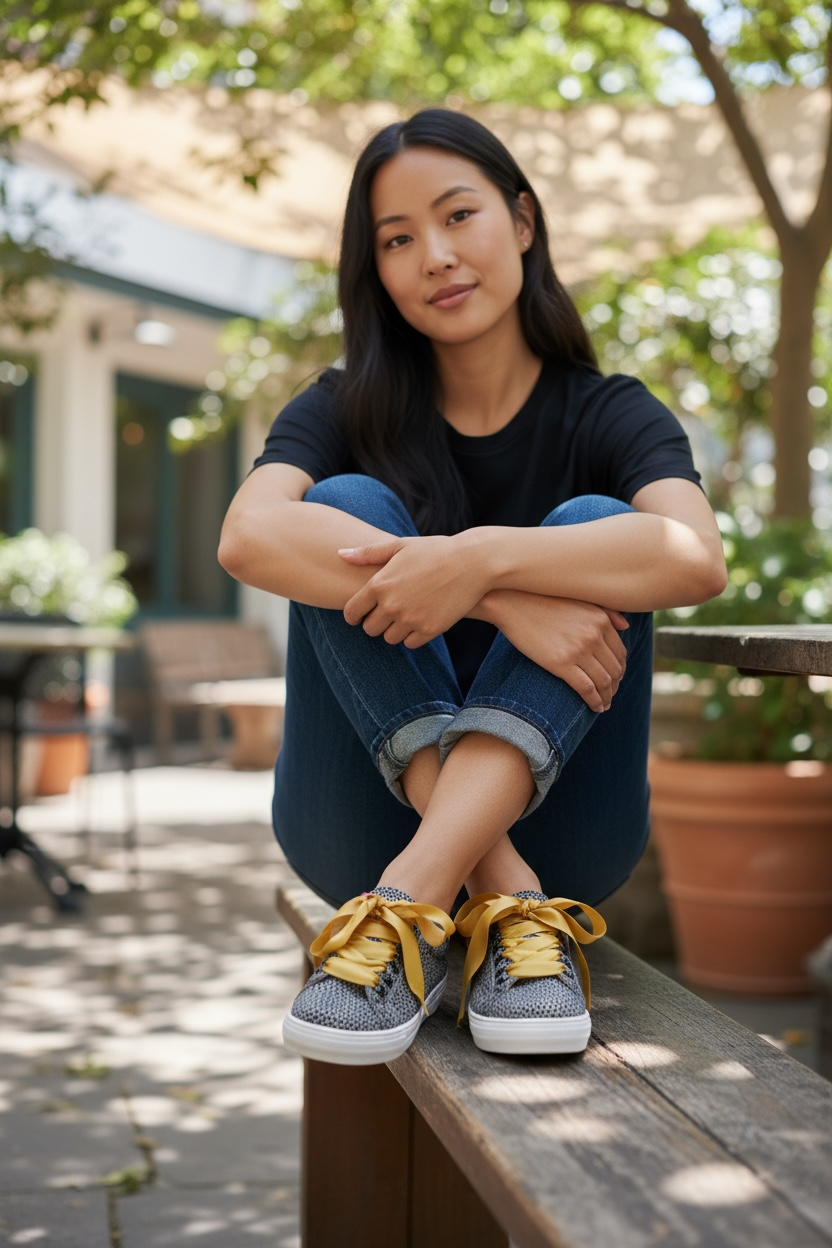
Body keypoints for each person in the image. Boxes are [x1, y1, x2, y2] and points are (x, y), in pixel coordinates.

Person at [219, 108, 727, 1066]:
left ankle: (419, 896)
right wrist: (488, 594)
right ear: (376, 271)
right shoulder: (343, 405)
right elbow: (248, 536)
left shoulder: (610, 412)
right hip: (353, 827)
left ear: (524, 223)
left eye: (459, 217)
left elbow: (693, 556)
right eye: (399, 240)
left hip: (572, 829)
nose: (436, 256)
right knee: (344, 500)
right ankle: (477, 886)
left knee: (591, 524)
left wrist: (484, 557)